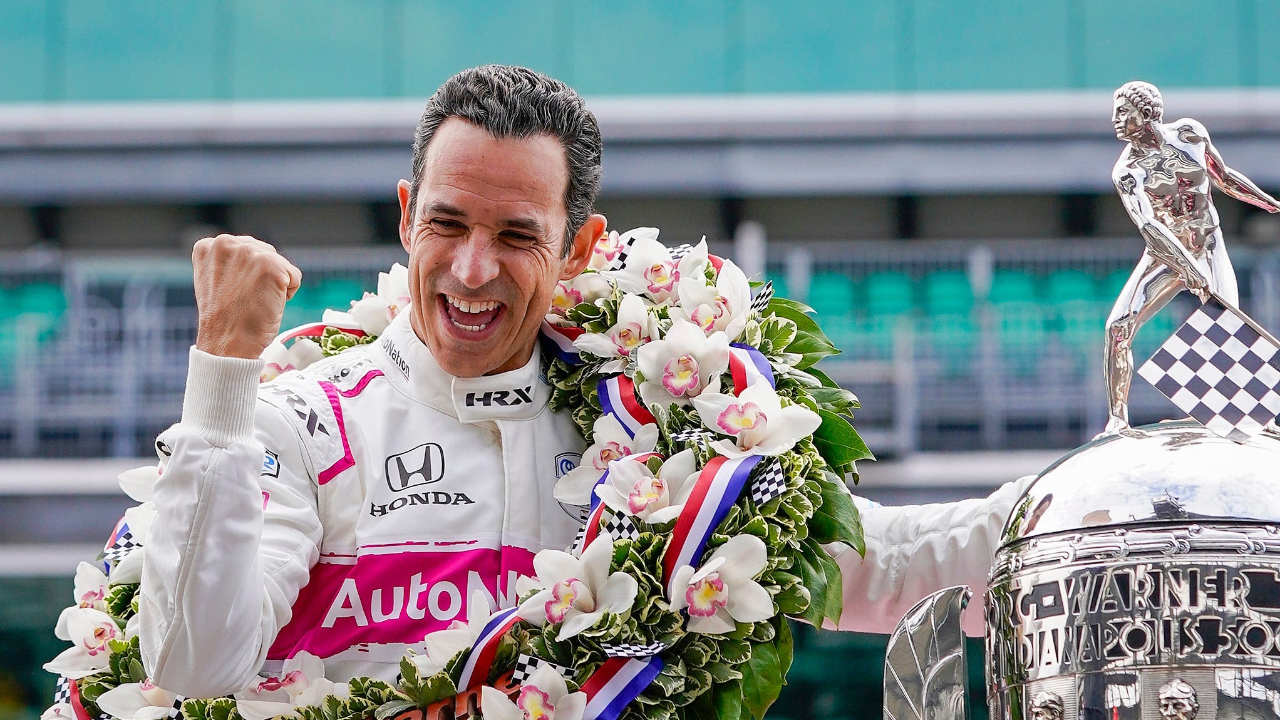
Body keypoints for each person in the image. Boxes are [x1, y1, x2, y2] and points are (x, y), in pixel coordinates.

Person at [139, 65, 1029, 698]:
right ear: (407, 216)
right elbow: (191, 661)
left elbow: (889, 568)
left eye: (518, 236)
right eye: (446, 223)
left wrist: (1116, 497)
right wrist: (222, 374)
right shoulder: (304, 419)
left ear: (580, 249)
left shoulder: (664, 427)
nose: (473, 269)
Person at [1103, 80, 1280, 435]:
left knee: (1229, 326)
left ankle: (1259, 417)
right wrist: (1186, 266)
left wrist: (1270, 203)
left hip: (1209, 243)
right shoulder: (1128, 172)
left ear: (1147, 112)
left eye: (1123, 111)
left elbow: (1224, 178)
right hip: (1165, 254)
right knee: (1117, 328)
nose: (1115, 119)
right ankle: (1117, 420)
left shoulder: (1190, 134)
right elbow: (1150, 227)